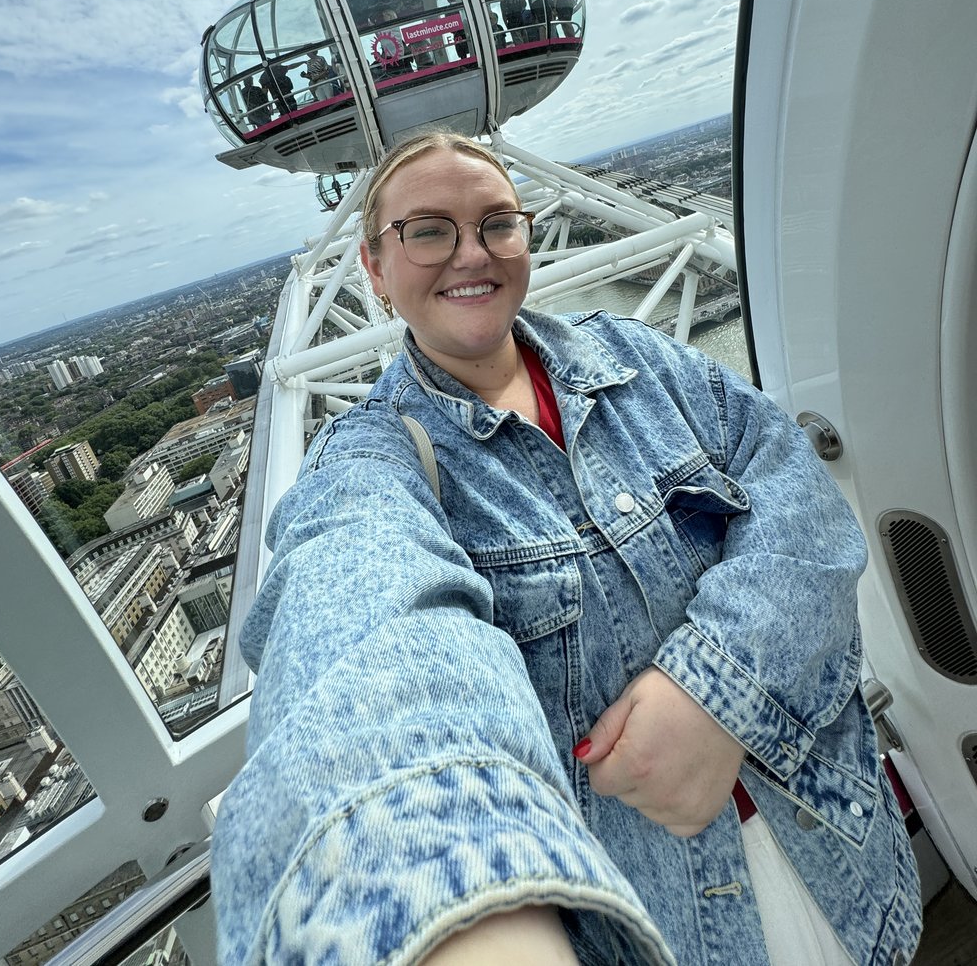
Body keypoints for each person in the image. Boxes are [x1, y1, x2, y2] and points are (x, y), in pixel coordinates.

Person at [212, 131, 921, 966]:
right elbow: (367, 631)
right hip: (668, 931)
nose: (471, 252)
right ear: (373, 267)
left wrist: (714, 690)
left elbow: (793, 487)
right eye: (428, 229)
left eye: (496, 223)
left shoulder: (637, 357)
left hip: (841, 861)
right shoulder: (371, 467)